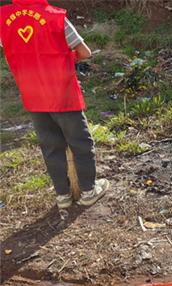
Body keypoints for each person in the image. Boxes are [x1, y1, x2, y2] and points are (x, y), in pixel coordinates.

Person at [0, 0, 109, 209]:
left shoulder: (3, 18)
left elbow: (13, 47)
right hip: (61, 92)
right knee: (81, 142)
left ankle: (62, 196)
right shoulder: (55, 17)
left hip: (32, 92)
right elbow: (85, 52)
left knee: (50, 146)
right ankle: (88, 191)